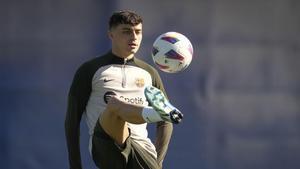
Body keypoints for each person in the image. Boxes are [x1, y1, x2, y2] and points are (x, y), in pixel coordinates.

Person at [65, 10, 183, 169]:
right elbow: (72, 122)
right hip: (106, 145)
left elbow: (165, 124)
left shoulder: (149, 73)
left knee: (162, 117)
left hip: (141, 148)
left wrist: (158, 162)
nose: (134, 37)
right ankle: (154, 113)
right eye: (127, 31)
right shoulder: (90, 70)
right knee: (114, 106)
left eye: (138, 32)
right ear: (111, 34)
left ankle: (157, 113)